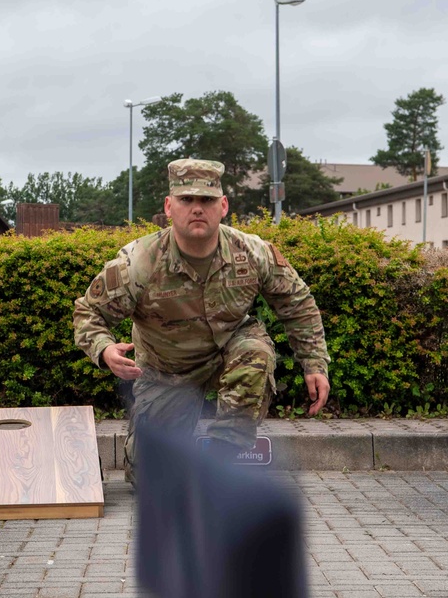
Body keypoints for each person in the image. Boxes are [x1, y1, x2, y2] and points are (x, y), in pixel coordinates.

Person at [73, 158, 330, 482]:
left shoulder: (252, 253)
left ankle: (221, 465)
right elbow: (88, 312)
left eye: (206, 200)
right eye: (186, 200)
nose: (197, 208)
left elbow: (297, 303)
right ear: (169, 206)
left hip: (230, 348)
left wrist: (314, 363)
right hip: (166, 367)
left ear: (222, 206)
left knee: (257, 354)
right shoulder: (139, 262)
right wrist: (104, 349)